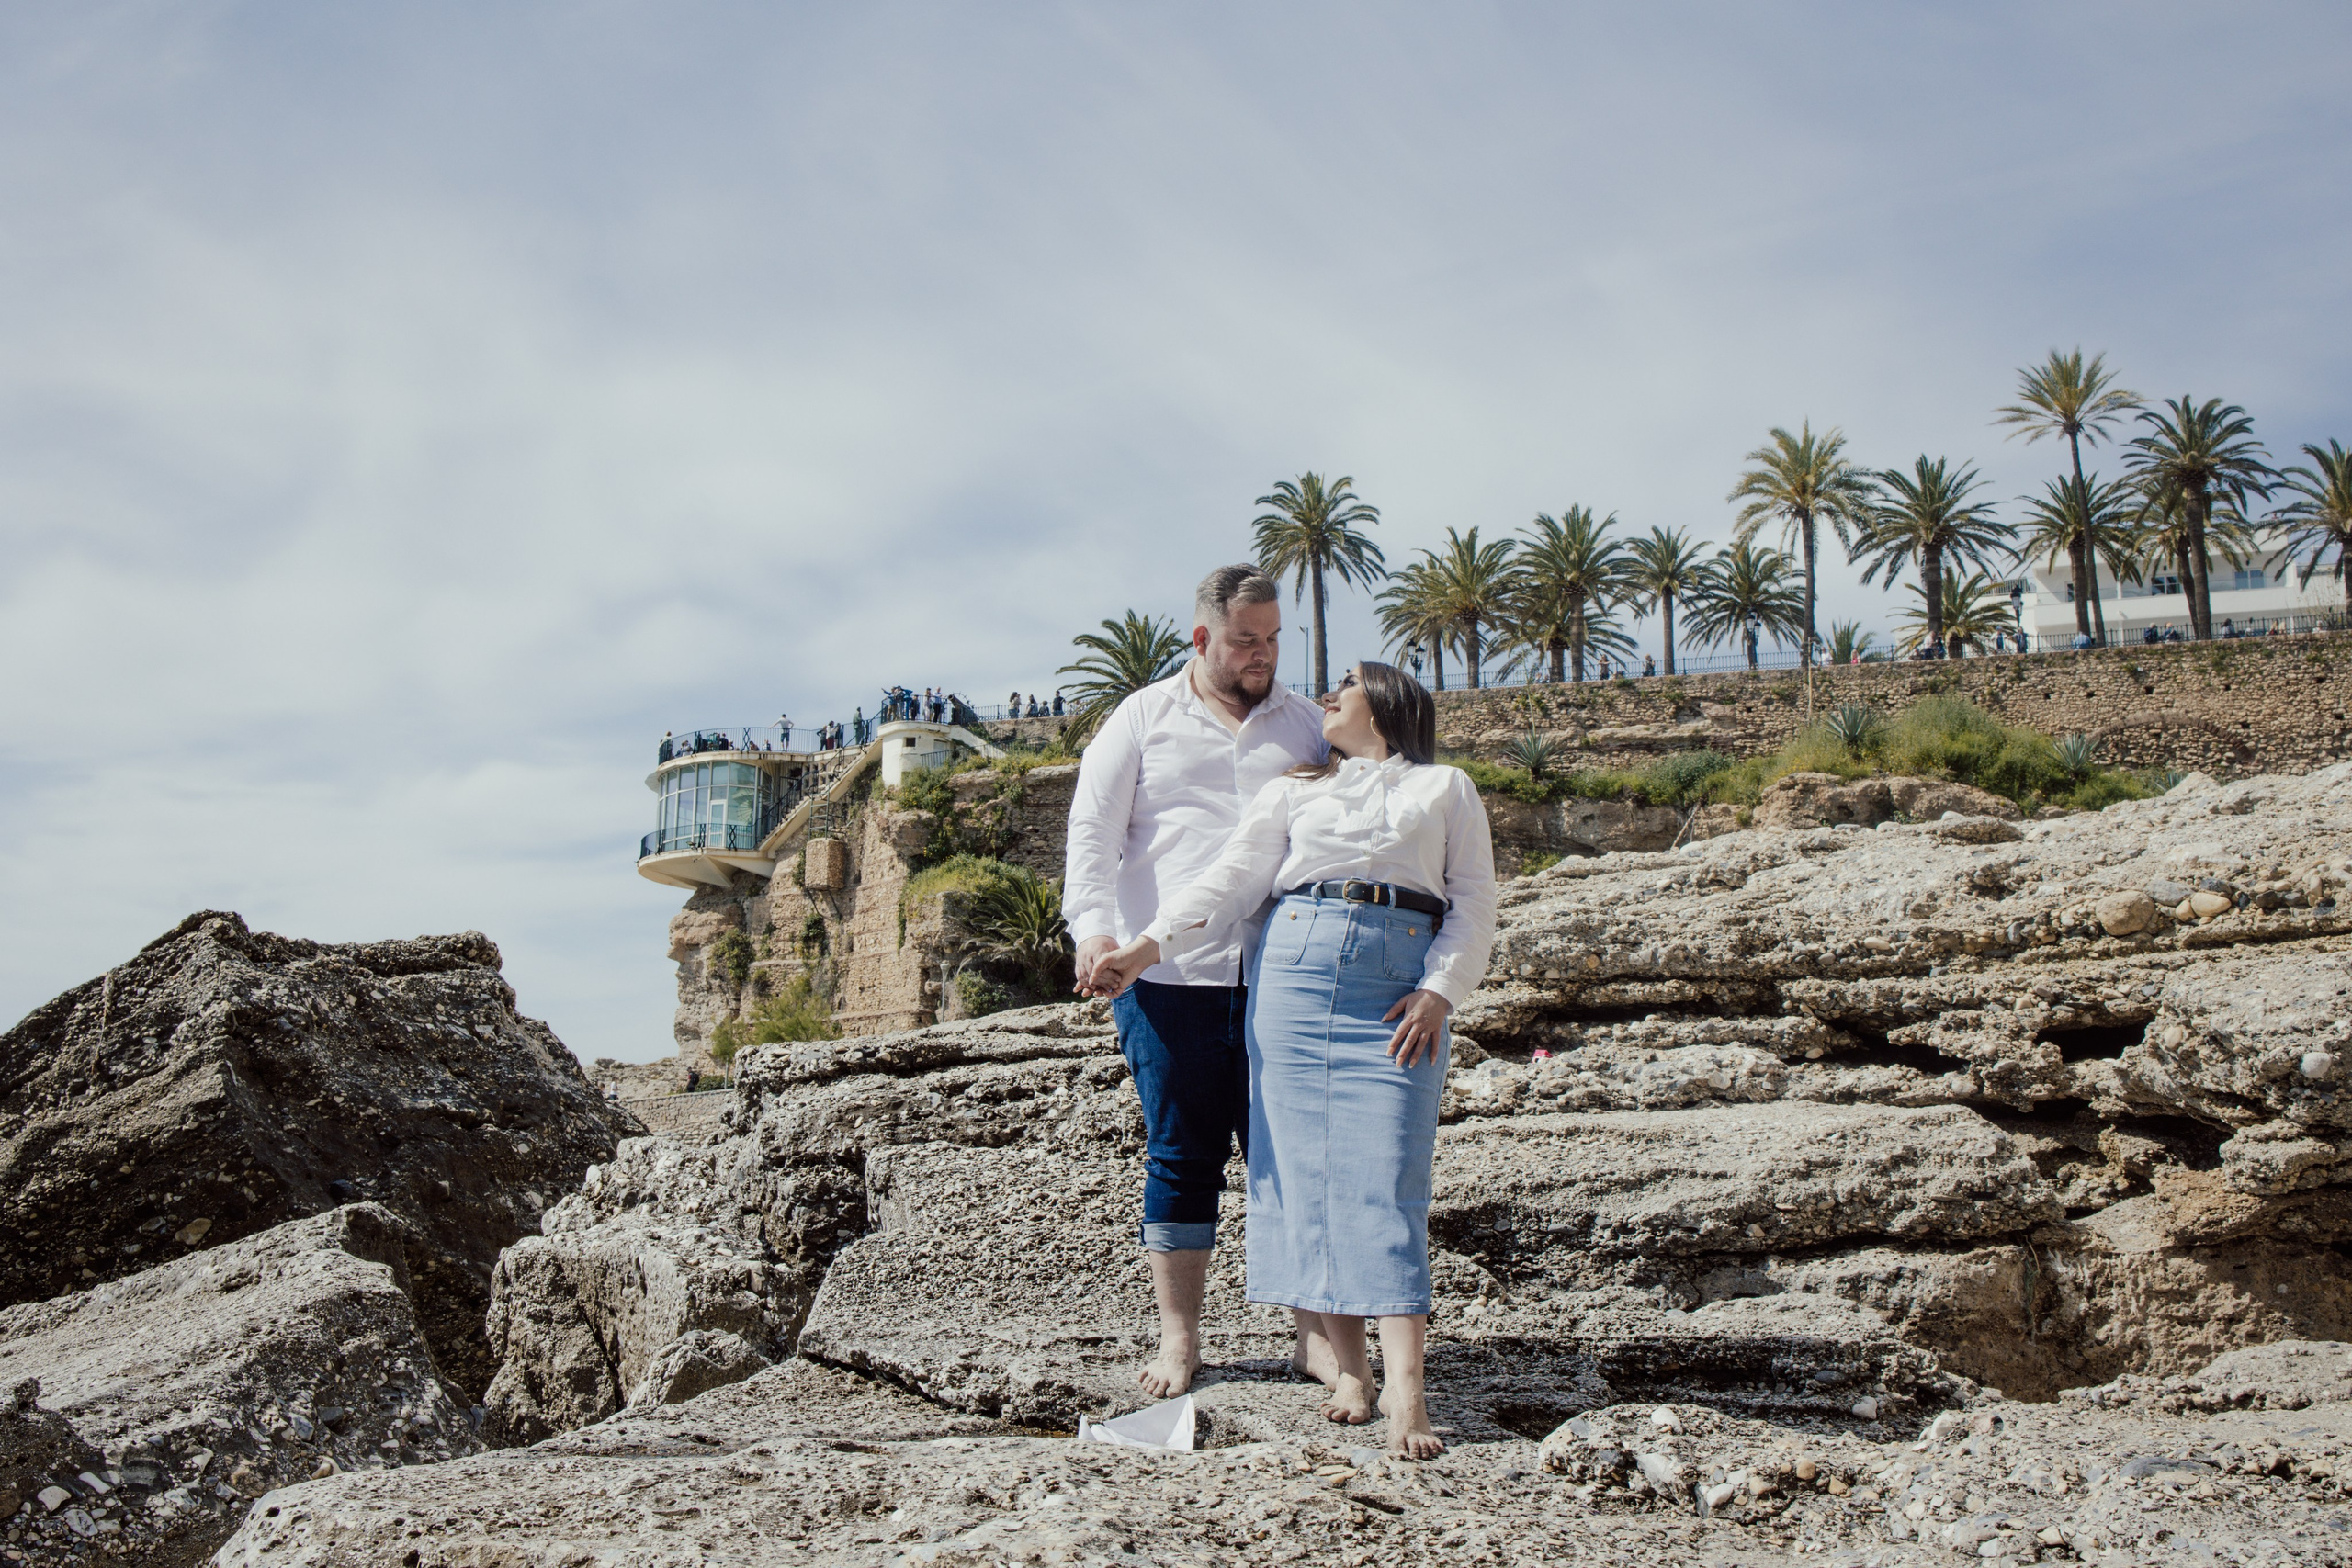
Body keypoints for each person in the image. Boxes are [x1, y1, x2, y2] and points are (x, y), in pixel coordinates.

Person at [1087, 661, 1497, 1459]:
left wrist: (1442, 990)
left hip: (1395, 977)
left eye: (1345, 681)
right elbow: (1234, 879)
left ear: (1388, 701)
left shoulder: (1447, 787)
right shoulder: (1293, 789)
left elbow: (1474, 899)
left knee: (1387, 1177)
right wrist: (1145, 947)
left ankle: (1409, 1390)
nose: (1326, 695)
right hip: (1295, 977)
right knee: (1305, 1173)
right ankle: (1352, 1370)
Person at [1063, 563, 1330, 1404]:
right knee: (1181, 1156)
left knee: (1287, 1155)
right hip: (1165, 975)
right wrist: (1095, 933)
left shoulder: (1306, 726)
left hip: (1282, 973)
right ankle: (1181, 1340)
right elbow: (1092, 836)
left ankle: (1312, 1340)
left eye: (1275, 638)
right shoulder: (1142, 718)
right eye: (1247, 640)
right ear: (1204, 638)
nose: (1264, 655)